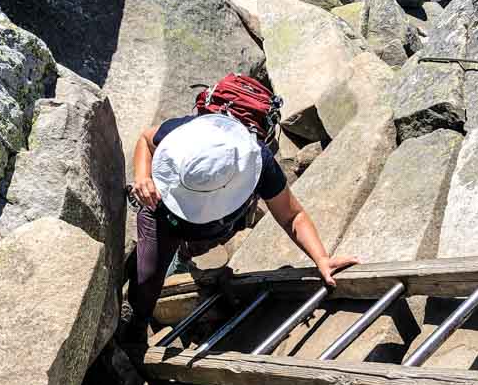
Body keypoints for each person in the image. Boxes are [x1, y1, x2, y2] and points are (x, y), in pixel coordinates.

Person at [123, 109, 359, 347]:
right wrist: (143, 177)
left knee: (198, 244)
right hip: (163, 215)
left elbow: (292, 215)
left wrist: (322, 258)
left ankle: (183, 255)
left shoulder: (257, 161)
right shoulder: (186, 135)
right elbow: (146, 139)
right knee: (147, 280)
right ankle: (138, 324)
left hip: (216, 229)